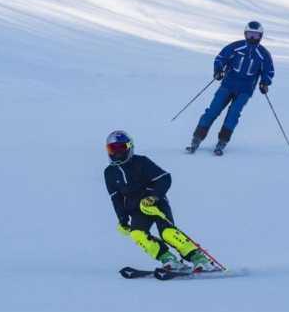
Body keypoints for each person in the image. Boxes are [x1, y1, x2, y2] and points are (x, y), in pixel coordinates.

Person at [103, 130, 217, 271]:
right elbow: (116, 198)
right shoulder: (109, 172)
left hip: (156, 204)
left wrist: (153, 197)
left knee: (167, 233)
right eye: (112, 149)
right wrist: (122, 219)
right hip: (136, 208)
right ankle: (168, 259)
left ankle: (199, 258)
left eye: (121, 148)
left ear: (129, 147)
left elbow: (164, 178)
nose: (117, 153)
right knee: (137, 234)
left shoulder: (141, 162)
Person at [187, 21, 275, 155]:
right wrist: (218, 70)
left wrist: (264, 83)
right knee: (213, 110)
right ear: (245, 34)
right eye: (250, 34)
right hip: (228, 85)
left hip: (245, 90)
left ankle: (222, 141)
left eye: (256, 36)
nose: (252, 38)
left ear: (260, 36)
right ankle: (197, 138)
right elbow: (221, 58)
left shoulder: (263, 54)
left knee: (233, 114)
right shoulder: (235, 47)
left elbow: (268, 71)